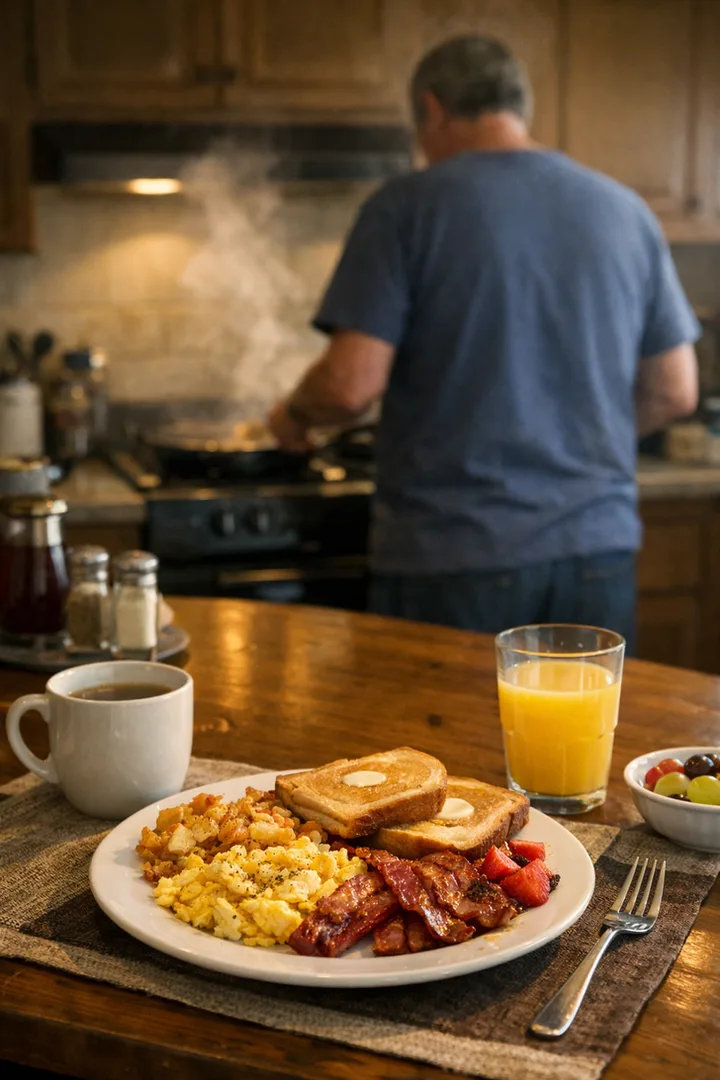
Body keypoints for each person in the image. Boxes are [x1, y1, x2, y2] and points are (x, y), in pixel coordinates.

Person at [268, 35, 700, 651]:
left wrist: (292, 414)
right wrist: (575, 437)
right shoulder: (625, 210)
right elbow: (675, 391)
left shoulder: (405, 207)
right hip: (597, 553)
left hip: (455, 556)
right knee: (582, 746)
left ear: (433, 108)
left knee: (443, 748)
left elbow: (346, 388)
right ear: (519, 107)